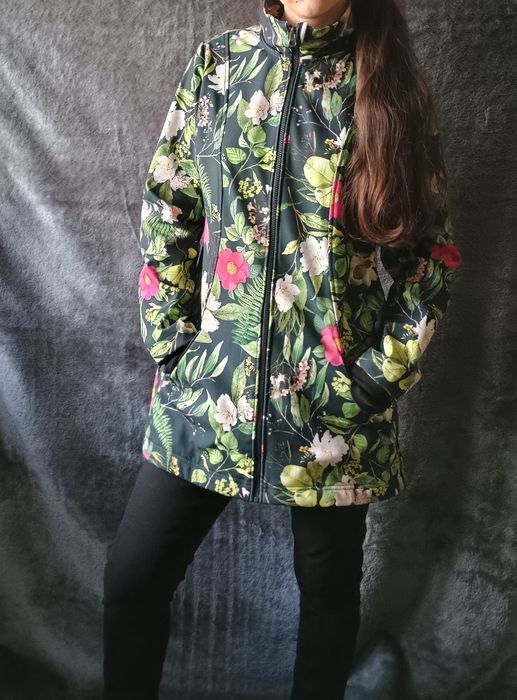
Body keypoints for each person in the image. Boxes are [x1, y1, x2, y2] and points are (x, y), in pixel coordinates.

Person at [103, 0, 462, 698]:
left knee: (328, 593)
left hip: (334, 411)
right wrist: (173, 344)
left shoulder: (393, 90)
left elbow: (432, 257)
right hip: (210, 390)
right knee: (133, 577)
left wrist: (372, 381)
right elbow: (168, 207)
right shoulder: (218, 66)